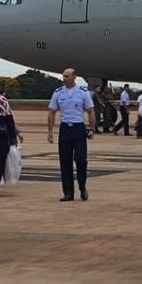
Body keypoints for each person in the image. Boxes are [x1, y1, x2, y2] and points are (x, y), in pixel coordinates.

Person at [48, 68, 95, 201]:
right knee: (65, 162)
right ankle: (68, 192)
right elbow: (51, 111)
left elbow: (90, 111)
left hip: (78, 128)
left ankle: (82, 187)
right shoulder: (58, 92)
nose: (64, 78)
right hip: (65, 129)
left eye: (67, 76)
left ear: (74, 77)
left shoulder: (82, 92)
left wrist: (92, 129)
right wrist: (50, 131)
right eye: (63, 76)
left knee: (81, 160)